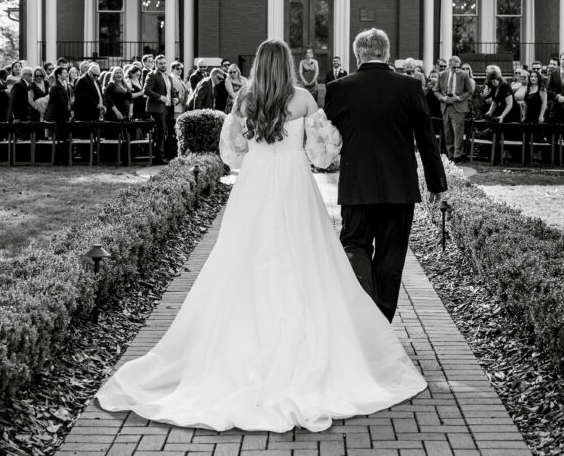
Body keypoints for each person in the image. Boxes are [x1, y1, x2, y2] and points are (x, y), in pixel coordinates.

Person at [96, 38, 428, 432]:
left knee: (242, 258)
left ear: (258, 65)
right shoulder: (303, 99)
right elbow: (323, 154)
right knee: (306, 257)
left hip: (253, 185)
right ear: (287, 64)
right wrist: (319, 146)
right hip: (294, 184)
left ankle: (242, 344)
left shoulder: (244, 100)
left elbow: (232, 154)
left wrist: (258, 149)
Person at [325, 28, 447, 322]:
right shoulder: (409, 86)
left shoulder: (338, 88)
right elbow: (427, 139)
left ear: (358, 54)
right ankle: (382, 319)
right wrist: (437, 184)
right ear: (387, 53)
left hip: (356, 185)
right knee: (391, 257)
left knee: (354, 247)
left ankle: (363, 315)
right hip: (399, 187)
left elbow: (328, 138)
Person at [433, 55, 474, 162]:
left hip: (458, 107)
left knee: (458, 132)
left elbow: (469, 91)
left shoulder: (464, 75)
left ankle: (457, 155)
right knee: (448, 133)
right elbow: (436, 90)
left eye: (458, 67)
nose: (456, 69)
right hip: (446, 106)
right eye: (454, 67)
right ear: (449, 65)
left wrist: (459, 98)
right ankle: (450, 155)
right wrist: (442, 98)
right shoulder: (442, 75)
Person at [144, 55, 173, 163]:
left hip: (167, 108)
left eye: (164, 63)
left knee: (166, 132)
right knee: (160, 132)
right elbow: (146, 90)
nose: (163, 65)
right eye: (160, 63)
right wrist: (160, 97)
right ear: (156, 65)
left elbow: (170, 90)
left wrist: (175, 98)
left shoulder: (168, 76)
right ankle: (159, 157)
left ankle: (166, 154)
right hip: (156, 108)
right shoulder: (152, 75)